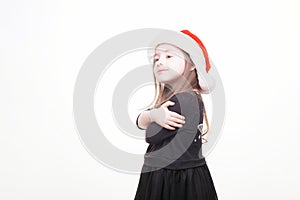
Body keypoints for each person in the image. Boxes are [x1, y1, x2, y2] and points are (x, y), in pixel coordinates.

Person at [134, 30, 218, 200]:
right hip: (177, 175)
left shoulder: (183, 100)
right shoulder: (183, 98)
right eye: (156, 58)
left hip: (173, 180)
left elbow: (151, 135)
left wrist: (151, 117)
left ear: (192, 64)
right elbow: (140, 121)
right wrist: (154, 115)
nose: (159, 62)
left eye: (169, 57)